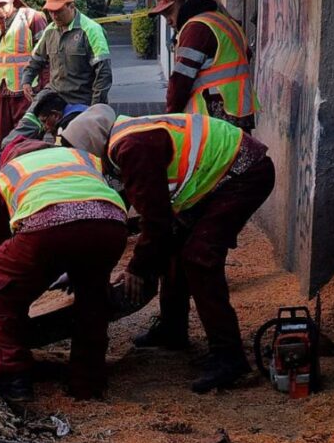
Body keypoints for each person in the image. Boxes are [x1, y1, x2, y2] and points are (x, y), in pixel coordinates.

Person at [61, 105, 275, 393]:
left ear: (90, 148)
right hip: (226, 175)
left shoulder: (132, 147)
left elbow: (156, 221)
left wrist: (137, 268)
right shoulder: (127, 139)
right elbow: (125, 210)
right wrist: (86, 265)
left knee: (199, 257)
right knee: (175, 249)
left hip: (243, 174)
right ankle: (173, 330)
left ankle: (229, 357)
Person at [0, 136, 128, 401]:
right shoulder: (80, 157)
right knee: (93, 294)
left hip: (46, 228)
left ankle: (12, 376)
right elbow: (88, 209)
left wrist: (26, 282)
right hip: (112, 224)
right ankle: (87, 381)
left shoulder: (7, 174)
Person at [149, 0, 258, 131]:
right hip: (238, 112)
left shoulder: (196, 28)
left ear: (185, 3)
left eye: (169, 12)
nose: (168, 20)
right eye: (164, 15)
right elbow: (246, 55)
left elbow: (180, 81)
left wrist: (170, 118)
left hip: (215, 114)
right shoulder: (223, 21)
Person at [0, 0, 49, 143]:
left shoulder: (33, 18)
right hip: (1, 92)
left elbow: (47, 60)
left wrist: (46, 93)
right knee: (3, 140)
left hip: (28, 93)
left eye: (2, 4)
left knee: (26, 140)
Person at [21, 0, 112, 106]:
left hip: (82, 100)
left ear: (72, 6)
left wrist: (95, 107)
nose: (54, 16)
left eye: (59, 11)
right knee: (29, 116)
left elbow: (103, 72)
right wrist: (26, 80)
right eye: (51, 11)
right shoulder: (50, 31)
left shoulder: (91, 30)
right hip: (55, 96)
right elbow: (36, 59)